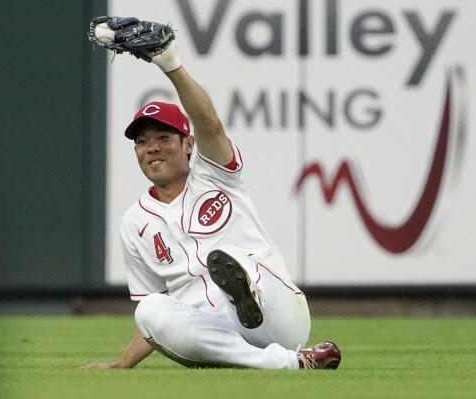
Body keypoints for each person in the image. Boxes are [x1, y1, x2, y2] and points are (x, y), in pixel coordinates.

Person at [84, 16, 340, 370]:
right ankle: (287, 364)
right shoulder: (135, 223)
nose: (151, 148)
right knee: (150, 309)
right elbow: (153, 320)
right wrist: (120, 365)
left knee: (230, 257)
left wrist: (170, 64)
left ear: (188, 144)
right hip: (215, 332)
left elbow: (210, 123)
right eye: (142, 142)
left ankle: (253, 314)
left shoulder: (215, 176)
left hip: (279, 312)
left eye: (163, 138)